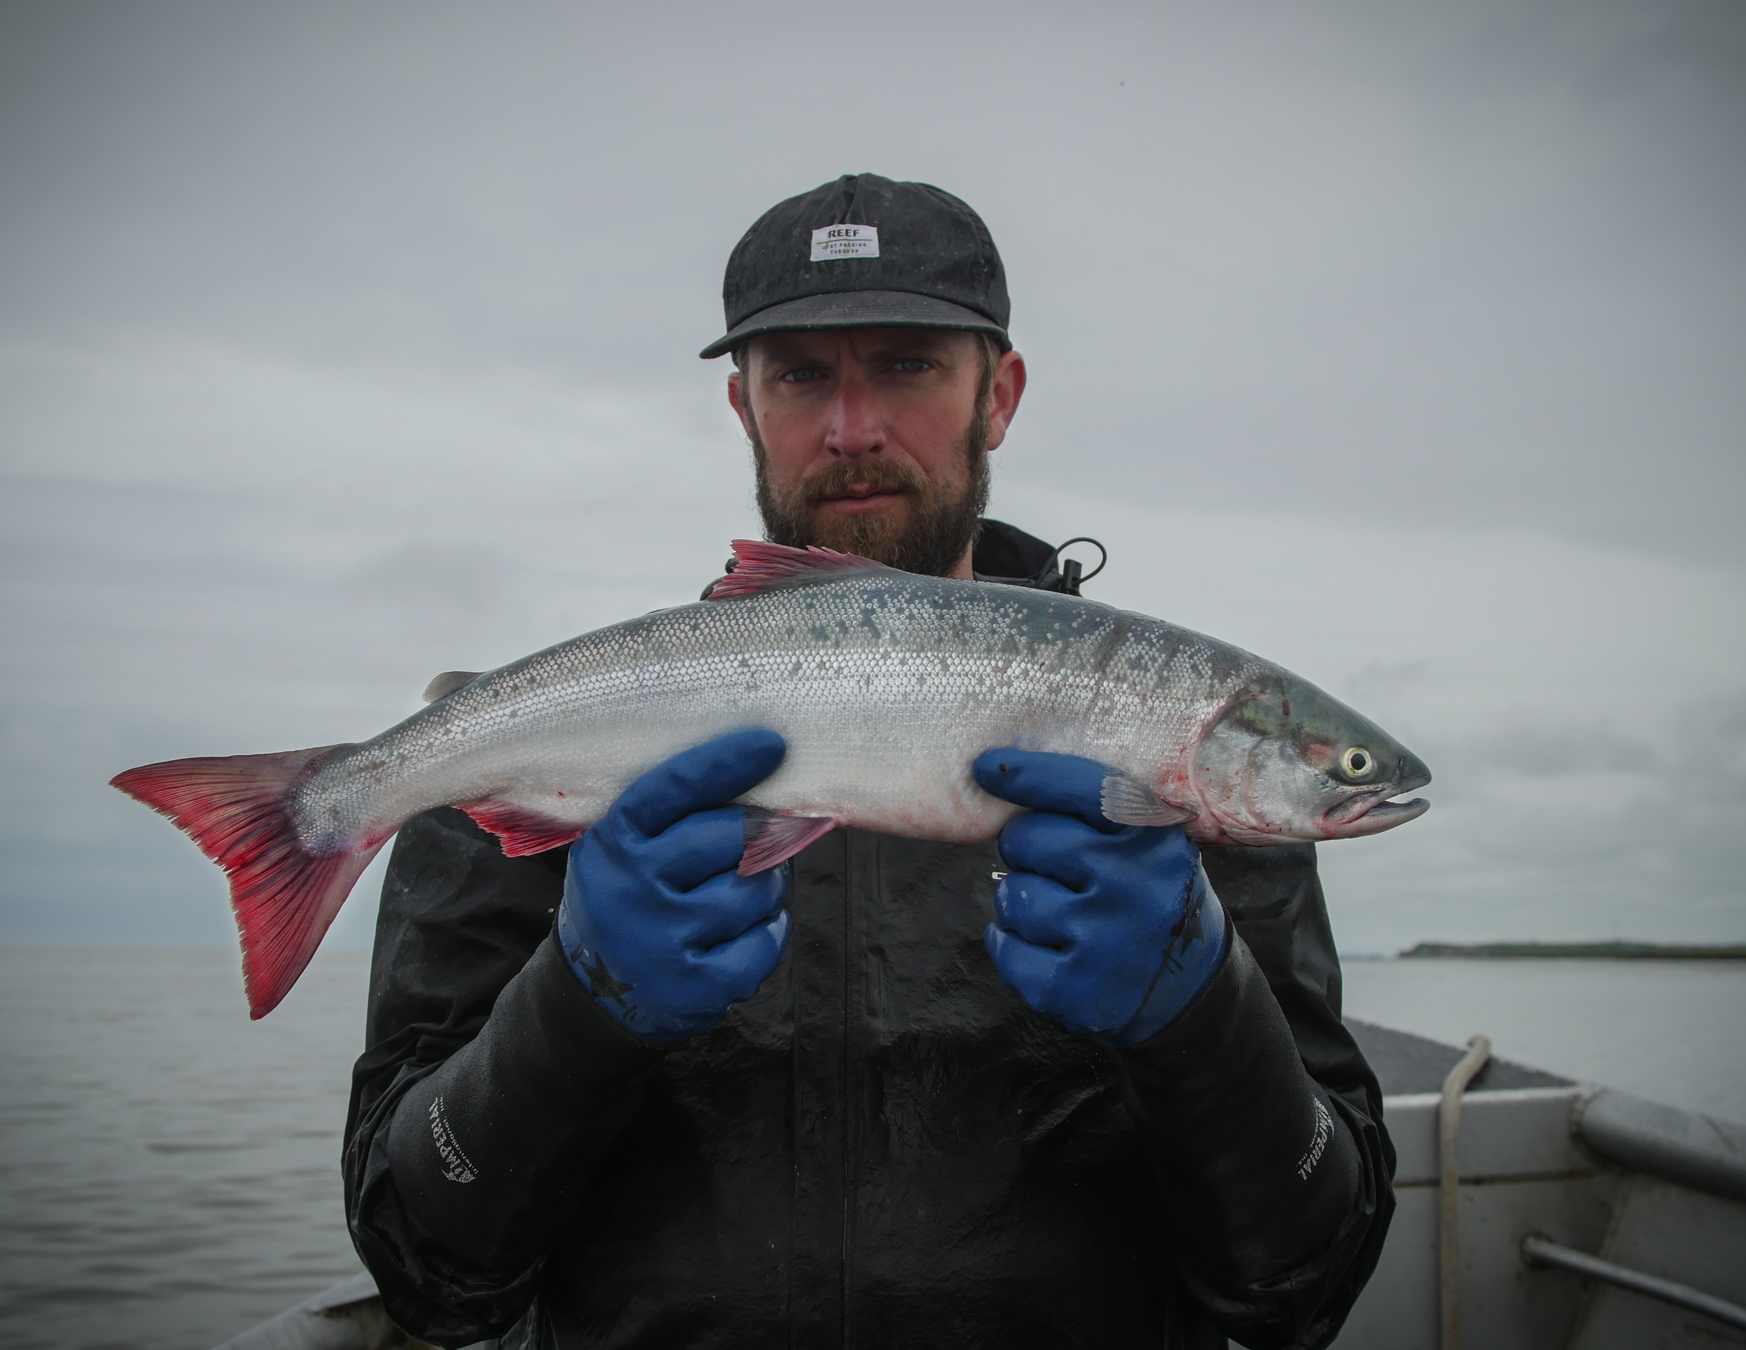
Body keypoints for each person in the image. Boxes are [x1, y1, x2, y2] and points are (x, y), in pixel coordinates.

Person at [344, 174, 1396, 1350]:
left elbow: (1310, 1282)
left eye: (906, 365)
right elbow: (427, 1270)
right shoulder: (543, 751)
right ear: (742, 406)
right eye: (800, 374)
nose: (853, 430)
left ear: (997, 395)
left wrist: (1204, 1020)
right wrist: (576, 1013)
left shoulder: (1169, 768)